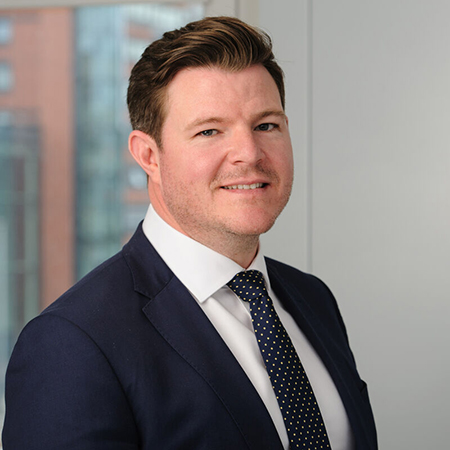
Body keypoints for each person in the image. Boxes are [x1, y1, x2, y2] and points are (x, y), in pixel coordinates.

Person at [2, 16, 377, 450]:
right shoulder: (72, 344)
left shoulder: (313, 299)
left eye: (266, 125)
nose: (249, 153)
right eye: (209, 131)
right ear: (149, 156)